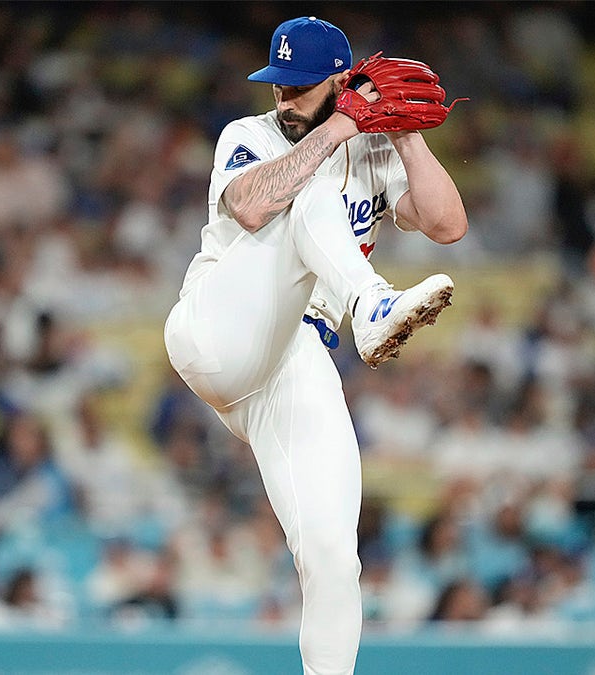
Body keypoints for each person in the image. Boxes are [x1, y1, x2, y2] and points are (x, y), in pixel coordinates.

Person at [163, 17, 467, 674]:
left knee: (334, 555)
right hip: (219, 326)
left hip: (294, 359)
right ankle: (372, 303)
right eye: (279, 85)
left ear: (340, 80)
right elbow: (251, 206)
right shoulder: (248, 134)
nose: (285, 98)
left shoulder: (373, 152)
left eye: (301, 87)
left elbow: (447, 222)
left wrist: (403, 134)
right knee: (306, 192)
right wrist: (339, 128)